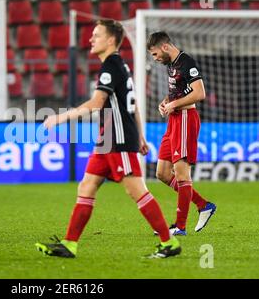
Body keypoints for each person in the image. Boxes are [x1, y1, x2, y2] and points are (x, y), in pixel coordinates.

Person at [35, 20, 181, 259]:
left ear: (111, 40)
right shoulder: (118, 65)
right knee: (87, 186)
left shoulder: (111, 67)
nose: (91, 39)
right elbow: (132, 106)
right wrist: (141, 135)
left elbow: (96, 104)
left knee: (137, 191)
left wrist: (61, 117)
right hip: (109, 138)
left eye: (96, 35)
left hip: (118, 138)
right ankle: (70, 243)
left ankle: (168, 242)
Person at [147, 31, 216, 236]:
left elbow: (199, 93)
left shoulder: (187, 62)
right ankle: (203, 205)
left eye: (155, 54)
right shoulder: (171, 65)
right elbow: (179, 90)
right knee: (162, 173)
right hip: (174, 120)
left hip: (186, 119)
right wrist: (166, 101)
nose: (155, 58)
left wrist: (175, 104)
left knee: (181, 173)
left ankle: (180, 225)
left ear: (165, 47)